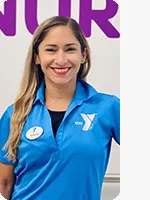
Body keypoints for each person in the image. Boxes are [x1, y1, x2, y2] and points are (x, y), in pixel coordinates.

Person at [0, 16, 120, 200]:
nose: (61, 59)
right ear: (37, 57)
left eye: (70, 49)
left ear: (83, 55)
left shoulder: (108, 108)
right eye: (51, 50)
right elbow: (5, 184)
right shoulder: (15, 114)